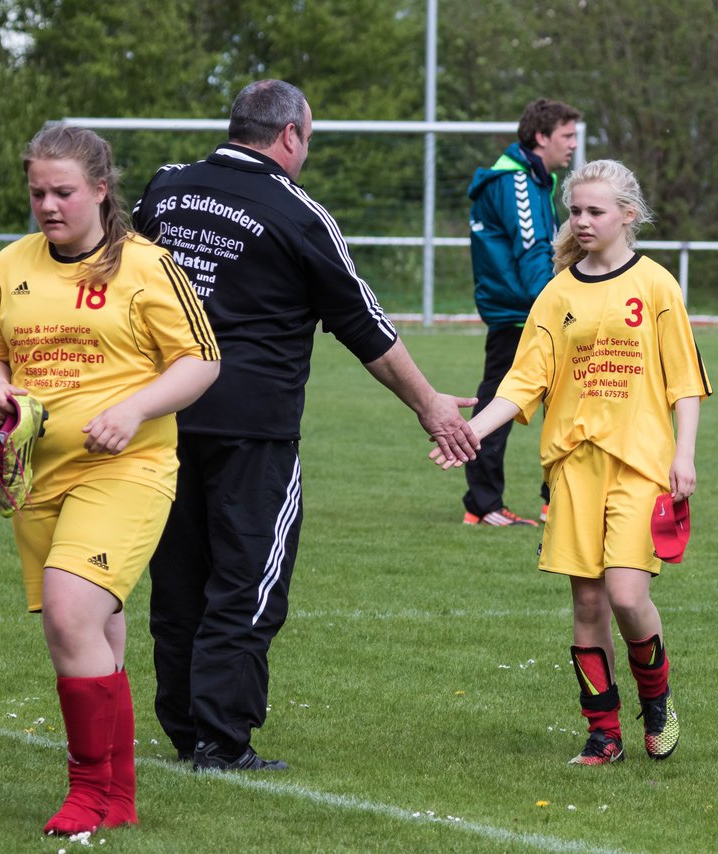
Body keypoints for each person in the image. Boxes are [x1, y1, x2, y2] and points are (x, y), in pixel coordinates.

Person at [130, 80, 479, 771]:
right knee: (248, 581)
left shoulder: (166, 189)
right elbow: (364, 325)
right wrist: (429, 405)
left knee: (177, 581)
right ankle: (222, 743)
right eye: (308, 139)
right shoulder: (297, 213)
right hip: (251, 429)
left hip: (159, 418)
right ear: (290, 136)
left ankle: (185, 730)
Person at [0, 125, 221, 834]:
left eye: (63, 192)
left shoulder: (147, 266)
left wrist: (134, 407)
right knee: (95, 631)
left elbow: (201, 361)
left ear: (101, 191)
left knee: (70, 614)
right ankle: (118, 800)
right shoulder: (11, 265)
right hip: (36, 472)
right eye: (37, 193)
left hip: (127, 467)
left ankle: (86, 792)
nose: (47, 206)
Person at [433, 159, 711, 764]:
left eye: (595, 211)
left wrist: (684, 455)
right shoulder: (556, 294)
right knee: (587, 604)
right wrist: (469, 432)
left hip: (640, 463)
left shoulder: (657, 285)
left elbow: (683, 380)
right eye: (575, 211)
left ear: (627, 216)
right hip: (573, 466)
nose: (581, 221)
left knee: (628, 597)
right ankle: (602, 730)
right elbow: (521, 383)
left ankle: (657, 704)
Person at [463, 98, 580, 527]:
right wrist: (562, 305)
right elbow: (533, 255)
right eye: (566, 136)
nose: (572, 145)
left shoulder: (534, 179)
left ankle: (555, 500)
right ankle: (483, 505)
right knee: (501, 404)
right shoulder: (516, 183)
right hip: (524, 314)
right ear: (541, 137)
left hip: (525, 310)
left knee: (560, 402)